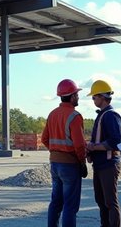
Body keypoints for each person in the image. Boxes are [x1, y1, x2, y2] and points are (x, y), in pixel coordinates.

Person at [42, 78, 87, 227]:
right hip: (70, 165)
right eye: (77, 94)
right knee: (70, 205)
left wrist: (56, 152)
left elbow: (44, 139)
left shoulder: (52, 114)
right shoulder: (74, 116)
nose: (78, 97)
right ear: (72, 96)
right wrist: (82, 162)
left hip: (55, 164)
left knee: (56, 202)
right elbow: (79, 145)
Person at [86, 80, 121, 227]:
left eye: (94, 97)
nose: (93, 100)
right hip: (101, 164)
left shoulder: (111, 115)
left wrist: (94, 147)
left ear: (101, 97)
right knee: (101, 201)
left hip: (108, 165)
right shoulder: (102, 115)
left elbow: (116, 141)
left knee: (110, 202)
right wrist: (91, 150)